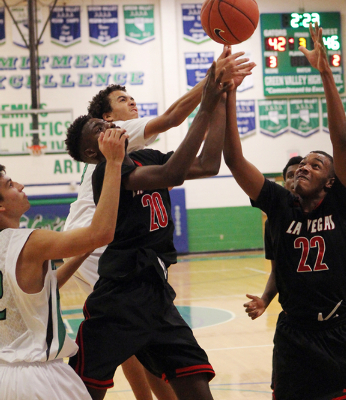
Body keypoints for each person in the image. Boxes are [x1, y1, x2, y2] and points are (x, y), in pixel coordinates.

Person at [224, 23, 346, 399]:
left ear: (330, 182)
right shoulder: (278, 206)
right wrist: (229, 96)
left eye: (316, 165)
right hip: (297, 336)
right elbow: (234, 158)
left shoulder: (341, 204)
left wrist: (325, 72)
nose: (305, 167)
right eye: (302, 164)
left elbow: (340, 137)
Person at [64, 46, 254, 400]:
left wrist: (224, 99)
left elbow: (206, 164)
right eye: (101, 125)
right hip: (116, 286)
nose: (110, 126)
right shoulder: (107, 169)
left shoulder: (142, 157)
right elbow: (174, 170)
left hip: (155, 291)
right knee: (84, 387)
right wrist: (209, 94)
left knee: (191, 379)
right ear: (92, 151)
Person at [0, 128, 127, 400]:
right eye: (10, 185)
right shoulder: (30, 242)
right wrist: (115, 163)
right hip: (37, 377)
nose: (20, 186)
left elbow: (40, 290)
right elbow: (102, 233)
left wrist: (83, 252)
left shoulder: (10, 249)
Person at [246, 156, 346, 400]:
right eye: (289, 175)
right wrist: (265, 299)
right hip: (295, 327)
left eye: (303, 171)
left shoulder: (332, 213)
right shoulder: (277, 220)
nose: (294, 178)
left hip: (334, 324)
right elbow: (278, 271)